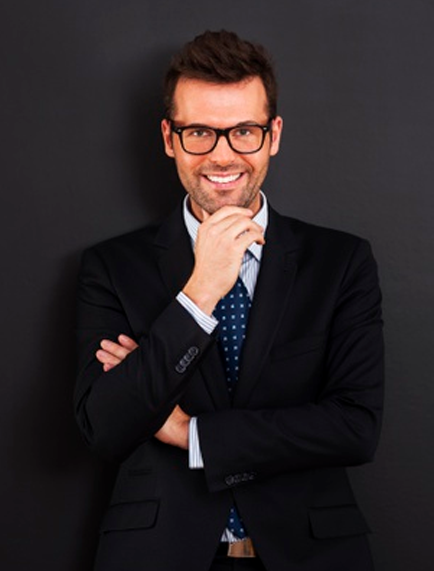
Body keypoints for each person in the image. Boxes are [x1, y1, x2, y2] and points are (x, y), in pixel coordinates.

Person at [75, 30, 384, 571]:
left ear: (273, 135)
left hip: (311, 553)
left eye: (243, 131)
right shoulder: (112, 267)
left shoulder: (341, 262)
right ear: (170, 138)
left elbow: (355, 428)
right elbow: (106, 427)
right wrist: (200, 293)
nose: (222, 156)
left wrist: (190, 433)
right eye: (199, 132)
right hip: (158, 555)